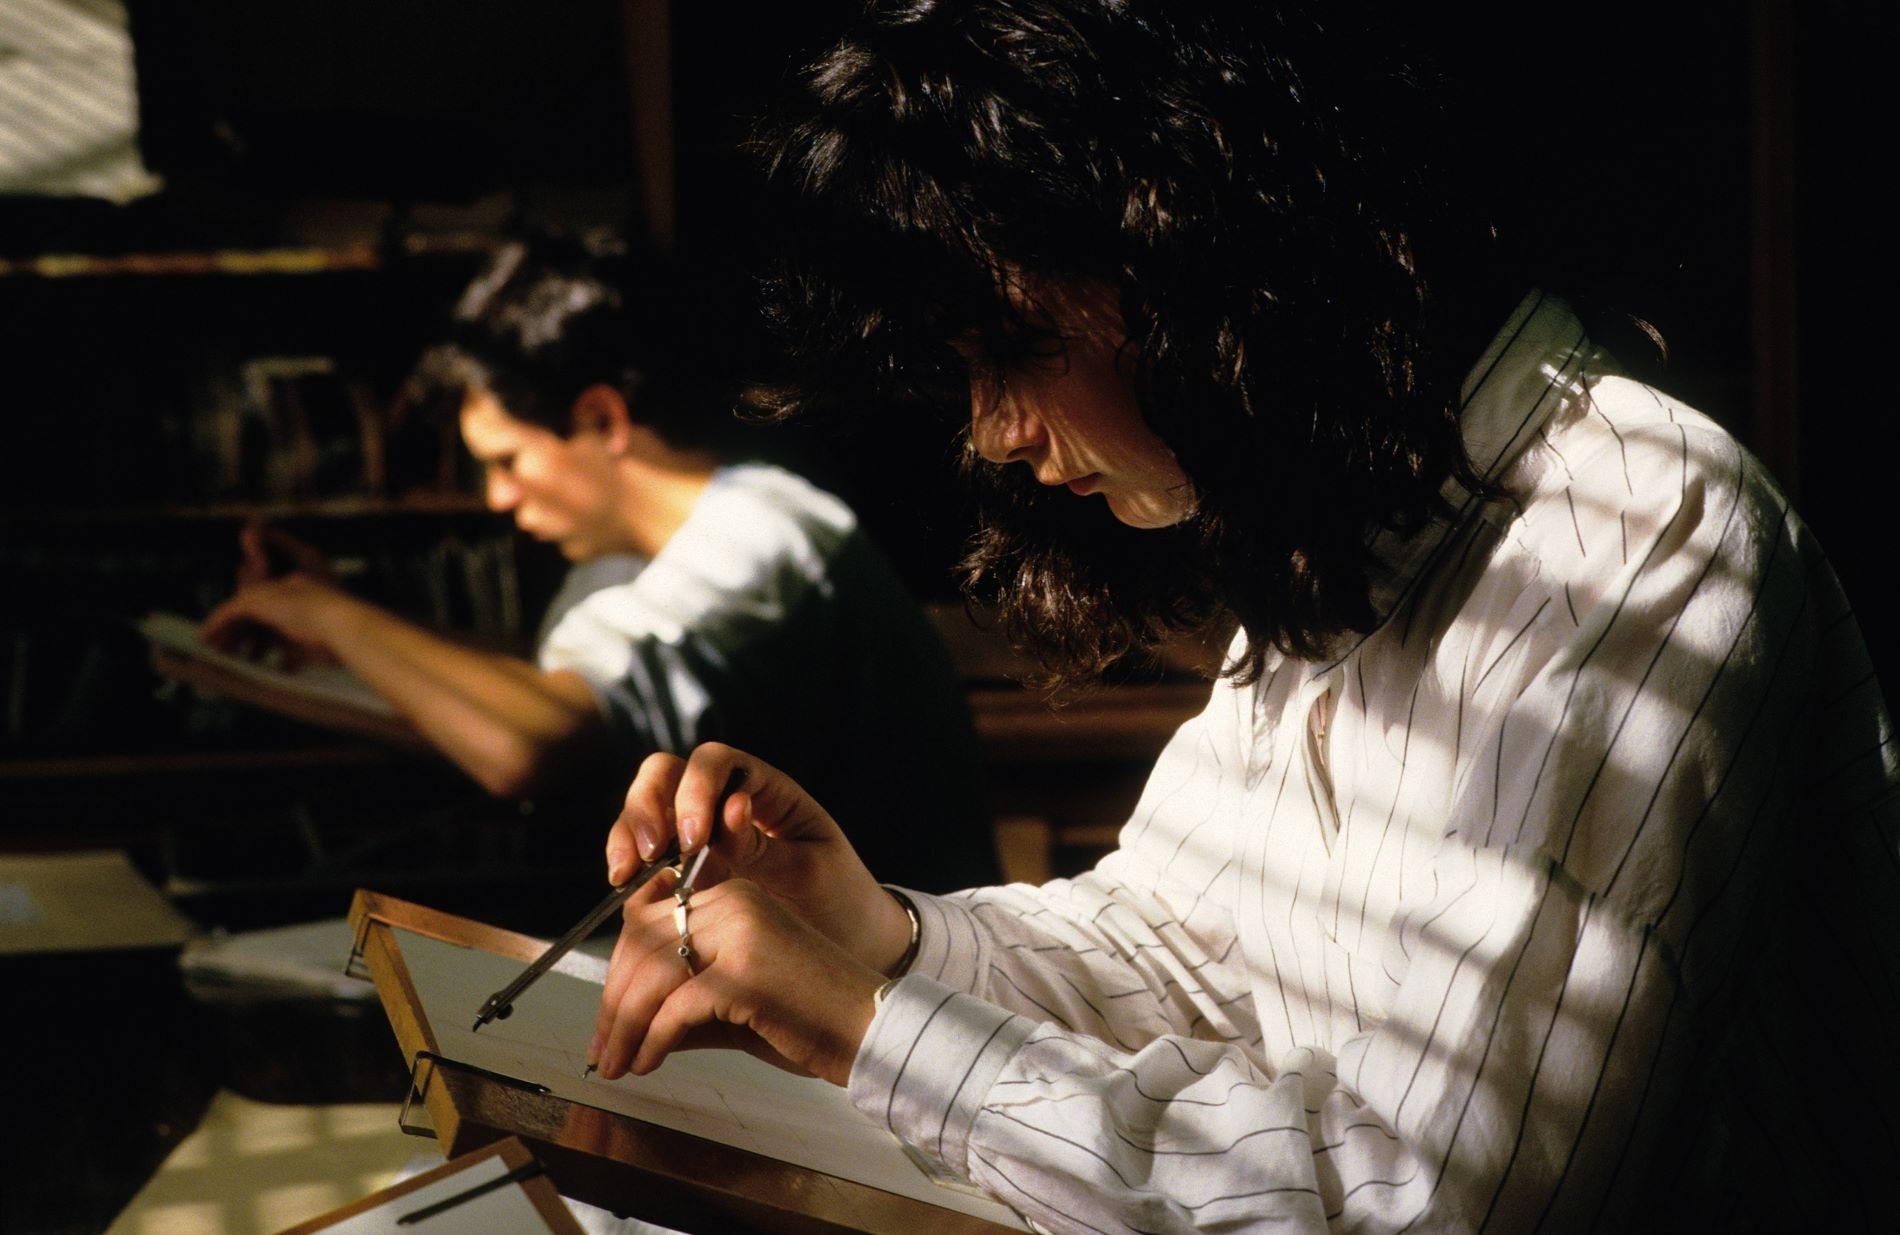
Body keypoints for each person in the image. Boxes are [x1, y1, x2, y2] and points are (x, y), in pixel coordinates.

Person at [583, 3, 1900, 1233]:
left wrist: (871, 1025)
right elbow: (1187, 948)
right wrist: (878, 933)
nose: (990, 432)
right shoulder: (1371, 524)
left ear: (1183, 256)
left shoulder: (1623, 526)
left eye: (1011, 344)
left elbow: (1432, 1203)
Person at [199, 231, 998, 894]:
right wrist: (346, 634)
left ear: (601, 417)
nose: (499, 499)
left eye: (509, 459)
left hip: (902, 987)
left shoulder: (760, 539)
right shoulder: (629, 557)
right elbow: (543, 685)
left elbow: (532, 741)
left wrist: (334, 617)